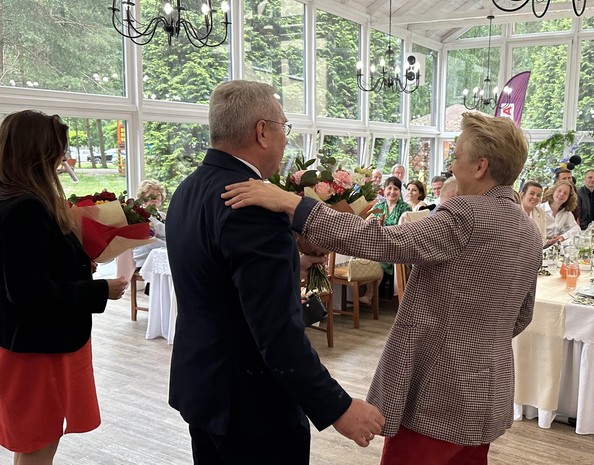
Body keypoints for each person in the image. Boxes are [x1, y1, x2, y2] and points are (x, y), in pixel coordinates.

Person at [222, 111, 541, 465]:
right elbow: (522, 315)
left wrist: (292, 204)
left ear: (480, 166)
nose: (452, 164)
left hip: (438, 391)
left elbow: (383, 241)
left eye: (458, 154)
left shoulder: (466, 214)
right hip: (488, 392)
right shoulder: (529, 230)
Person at [164, 81, 384, 464]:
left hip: (202, 387)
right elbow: (276, 332)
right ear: (262, 131)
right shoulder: (252, 204)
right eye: (285, 127)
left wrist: (292, 265)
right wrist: (338, 407)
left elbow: (216, 277)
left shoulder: (188, 188)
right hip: (252, 407)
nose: (286, 140)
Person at [0, 110, 127, 465]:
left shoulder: (13, 199)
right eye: (58, 149)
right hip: (38, 347)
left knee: (33, 439)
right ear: (39, 152)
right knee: (38, 441)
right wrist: (100, 291)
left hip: (28, 341)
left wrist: (76, 263)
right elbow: (29, 293)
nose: (62, 158)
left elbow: (28, 268)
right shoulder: (25, 208)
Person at [132, 179, 167, 269]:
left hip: (163, 254)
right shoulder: (139, 216)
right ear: (143, 198)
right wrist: (172, 246)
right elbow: (149, 241)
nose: (155, 197)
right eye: (151, 194)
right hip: (146, 258)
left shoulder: (163, 215)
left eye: (158, 194)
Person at [520, 181, 551, 247]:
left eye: (538, 195)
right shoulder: (514, 210)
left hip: (534, 250)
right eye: (532, 193)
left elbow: (543, 238)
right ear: (522, 194)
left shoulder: (541, 212)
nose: (535, 197)